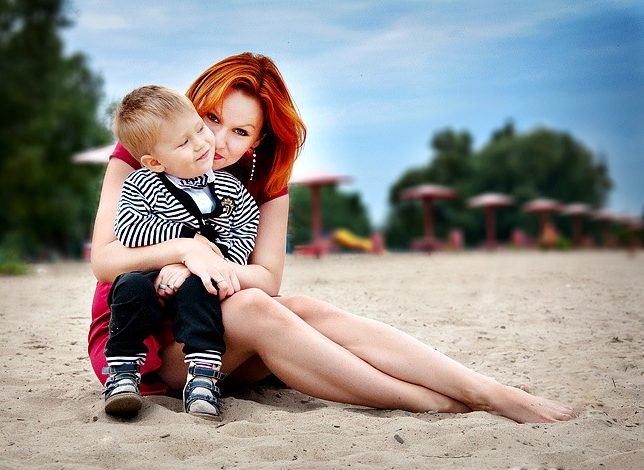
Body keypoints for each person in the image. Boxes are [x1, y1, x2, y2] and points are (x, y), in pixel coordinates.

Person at [88, 52, 575, 424]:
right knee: (254, 307)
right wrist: (184, 250)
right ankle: (441, 401)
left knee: (297, 305)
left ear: (258, 140)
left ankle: (483, 390)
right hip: (146, 344)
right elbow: (105, 261)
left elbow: (267, 278)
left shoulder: (259, 179)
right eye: (211, 118)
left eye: (240, 131)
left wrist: (206, 265)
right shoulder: (149, 146)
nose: (215, 141)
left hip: (220, 329)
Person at [102, 85, 259, 419]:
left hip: (197, 280)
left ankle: (203, 377)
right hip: (150, 278)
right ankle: (122, 372)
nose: (201, 143)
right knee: (129, 287)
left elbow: (244, 233)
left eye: (199, 129)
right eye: (183, 143)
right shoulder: (142, 184)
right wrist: (186, 243)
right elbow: (129, 228)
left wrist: (207, 262)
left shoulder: (231, 189)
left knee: (203, 289)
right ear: (155, 162)